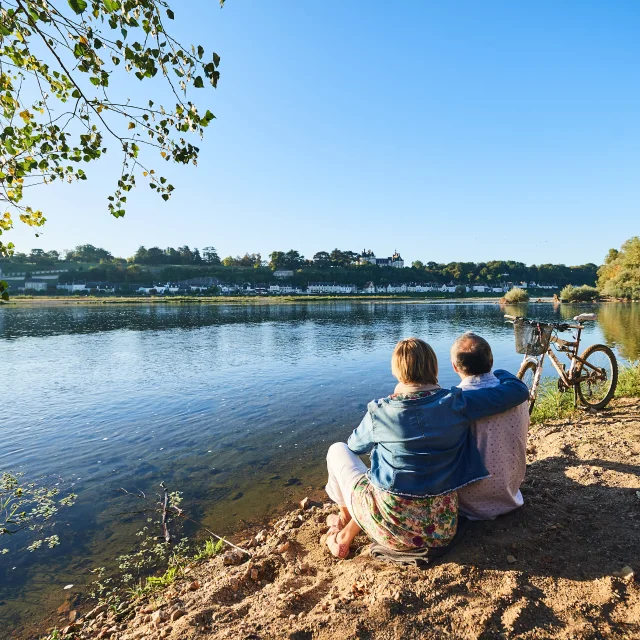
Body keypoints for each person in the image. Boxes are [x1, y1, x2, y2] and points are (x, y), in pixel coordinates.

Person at [324, 337, 529, 558]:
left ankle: (344, 520)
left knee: (337, 450)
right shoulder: (455, 403)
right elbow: (514, 393)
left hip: (393, 530)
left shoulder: (380, 412)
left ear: (396, 371)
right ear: (434, 366)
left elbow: (354, 446)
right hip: (442, 528)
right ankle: (346, 523)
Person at [452, 332, 530, 520]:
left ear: (455, 367)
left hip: (467, 504)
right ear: (491, 361)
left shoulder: (454, 404)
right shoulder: (515, 394)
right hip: (509, 494)